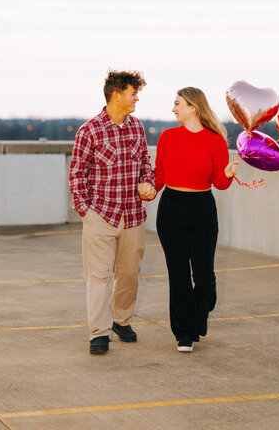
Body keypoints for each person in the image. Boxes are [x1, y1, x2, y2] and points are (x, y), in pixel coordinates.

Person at [69, 70, 156, 355]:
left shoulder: (137, 127)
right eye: (133, 93)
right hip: (100, 216)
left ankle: (121, 320)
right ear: (116, 95)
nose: (137, 98)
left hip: (132, 216)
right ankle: (99, 332)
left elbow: (145, 161)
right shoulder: (89, 130)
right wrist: (85, 211)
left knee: (130, 273)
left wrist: (148, 182)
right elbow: (77, 174)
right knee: (99, 276)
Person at [155, 87, 238, 353]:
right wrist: (147, 190)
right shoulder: (167, 137)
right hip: (171, 207)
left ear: (193, 107)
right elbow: (158, 175)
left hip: (202, 209)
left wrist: (228, 173)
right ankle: (185, 333)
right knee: (178, 275)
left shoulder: (215, 140)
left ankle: (197, 315)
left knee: (204, 277)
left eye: (177, 103)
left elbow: (220, 184)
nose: (173, 108)